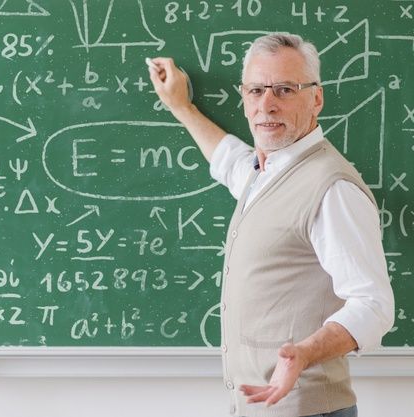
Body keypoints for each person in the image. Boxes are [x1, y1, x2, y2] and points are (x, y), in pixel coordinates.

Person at [148, 33, 394, 417]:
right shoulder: (266, 170)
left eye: (284, 90)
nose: (267, 105)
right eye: (256, 90)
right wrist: (182, 107)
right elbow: (228, 159)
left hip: (307, 409)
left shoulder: (332, 188)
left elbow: (374, 305)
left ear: (316, 98)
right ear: (243, 97)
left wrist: (305, 352)